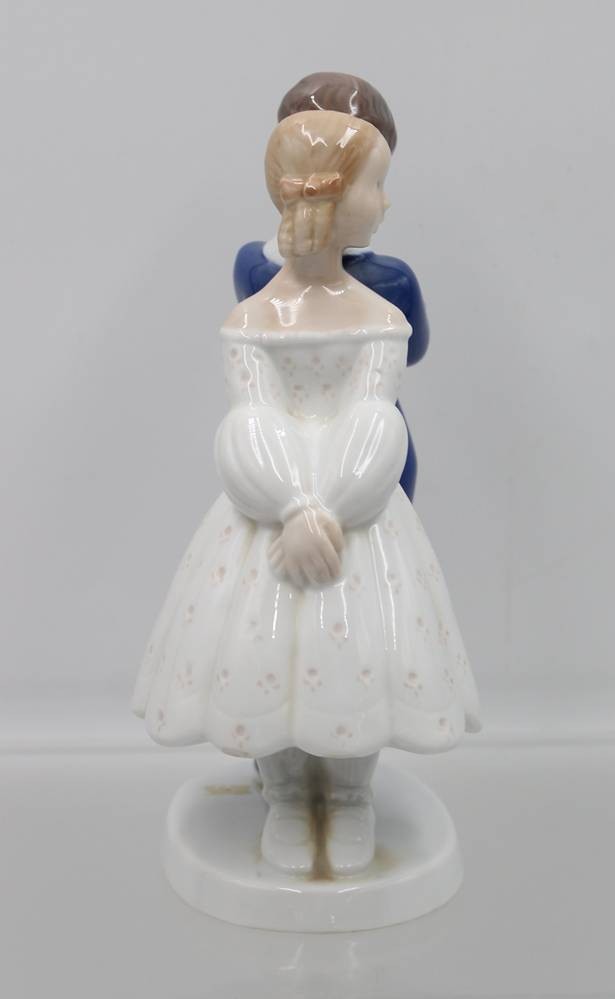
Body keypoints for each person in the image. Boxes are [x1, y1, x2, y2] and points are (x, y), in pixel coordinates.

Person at [134, 97, 480, 878]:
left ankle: (350, 793)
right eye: (375, 185)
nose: (386, 203)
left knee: (352, 645)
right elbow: (248, 419)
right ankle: (288, 792)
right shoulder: (253, 319)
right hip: (270, 510)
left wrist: (333, 507)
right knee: (267, 646)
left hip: (356, 511)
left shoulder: (379, 315)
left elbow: (375, 416)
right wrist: (288, 505)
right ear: (331, 195)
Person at [233, 73, 429, 500]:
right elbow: (413, 352)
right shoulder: (392, 281)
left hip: (296, 444)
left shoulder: (250, 265)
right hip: (354, 448)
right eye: (375, 181)